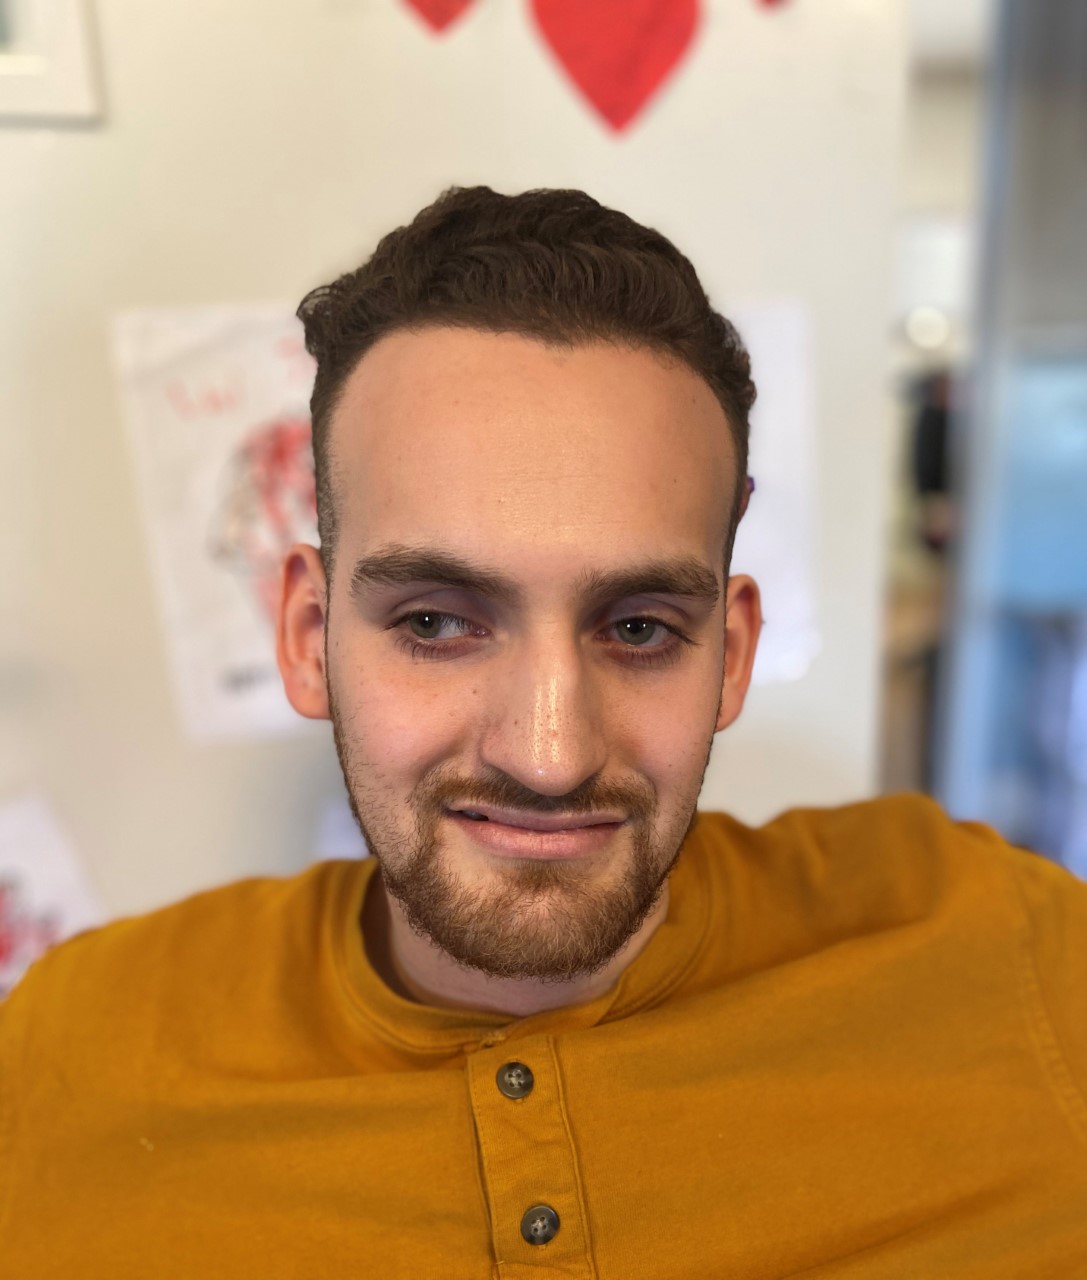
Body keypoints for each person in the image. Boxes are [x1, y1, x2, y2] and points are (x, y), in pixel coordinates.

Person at [3, 187, 1085, 1278]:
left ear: (731, 656)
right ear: (307, 638)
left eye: (638, 628)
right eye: (435, 623)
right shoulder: (73, 1049)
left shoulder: (1003, 948)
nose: (548, 755)